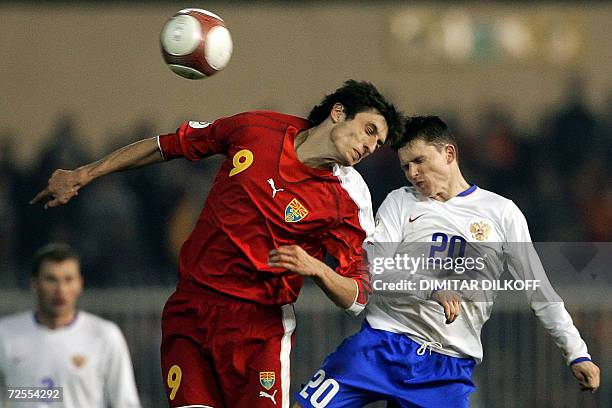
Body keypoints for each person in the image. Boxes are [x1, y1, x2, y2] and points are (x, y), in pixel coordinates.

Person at [30, 80, 404, 407]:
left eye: (379, 142)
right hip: (192, 309)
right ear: (338, 112)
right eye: (369, 130)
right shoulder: (257, 128)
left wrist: (317, 269)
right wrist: (86, 173)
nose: (372, 146)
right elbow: (167, 146)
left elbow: (357, 296)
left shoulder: (348, 198)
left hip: (258, 330)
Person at [295, 116, 600, 407]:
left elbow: (539, 291)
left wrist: (577, 352)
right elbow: (375, 270)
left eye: (419, 161)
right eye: (405, 166)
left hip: (446, 367)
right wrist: (432, 289)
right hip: (381, 346)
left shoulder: (501, 213)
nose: (412, 173)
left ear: (449, 153)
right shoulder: (400, 201)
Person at [0, 243, 141, 407]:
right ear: (35, 284)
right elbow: (13, 393)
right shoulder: (6, 333)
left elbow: (125, 401)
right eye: (51, 279)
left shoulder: (104, 335)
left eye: (68, 279)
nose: (60, 289)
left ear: (79, 284)